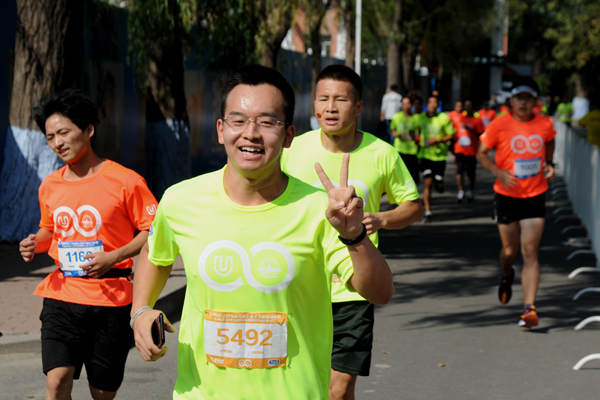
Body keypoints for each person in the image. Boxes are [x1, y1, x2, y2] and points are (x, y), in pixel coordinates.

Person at [130, 64, 395, 400]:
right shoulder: (181, 200)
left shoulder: (320, 210)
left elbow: (380, 292)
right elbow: (155, 254)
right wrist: (140, 310)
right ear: (220, 129)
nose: (251, 133)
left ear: (289, 136)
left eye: (267, 122)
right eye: (238, 120)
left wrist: (355, 236)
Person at [281, 64, 422, 400]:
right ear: (314, 104)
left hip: (352, 289)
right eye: (323, 99)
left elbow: (413, 207)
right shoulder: (291, 150)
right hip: (299, 285)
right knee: (301, 385)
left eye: (340, 100)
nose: (330, 108)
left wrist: (382, 219)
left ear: (358, 106)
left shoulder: (381, 153)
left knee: (339, 389)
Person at [18, 89, 157, 400]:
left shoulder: (126, 181)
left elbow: (152, 231)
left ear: (89, 130)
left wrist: (114, 256)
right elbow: (49, 230)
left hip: (112, 300)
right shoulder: (50, 185)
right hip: (62, 295)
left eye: (64, 132)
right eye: (50, 137)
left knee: (102, 393)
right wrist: (34, 243)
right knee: (57, 383)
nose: (57, 143)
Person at [476, 78, 555, 328]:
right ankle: (507, 273)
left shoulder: (545, 123)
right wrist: (498, 173)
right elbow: (481, 153)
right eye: (519, 98)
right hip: (506, 195)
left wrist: (549, 163)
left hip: (535, 194)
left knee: (530, 251)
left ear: (535, 102)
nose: (523, 102)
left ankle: (529, 309)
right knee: (510, 252)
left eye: (528, 98)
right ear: (511, 100)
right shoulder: (499, 124)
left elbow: (549, 140)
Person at [416, 95, 455, 222]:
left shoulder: (443, 118)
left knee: (438, 186)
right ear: (427, 105)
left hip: (439, 156)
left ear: (438, 105)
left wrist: (439, 140)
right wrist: (417, 139)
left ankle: (440, 183)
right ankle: (428, 212)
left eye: (435, 103)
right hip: (425, 155)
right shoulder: (421, 118)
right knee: (428, 183)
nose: (433, 105)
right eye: (430, 102)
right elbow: (415, 131)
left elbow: (451, 134)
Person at [454, 100, 485, 203]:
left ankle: (471, 190)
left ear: (473, 108)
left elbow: (481, 134)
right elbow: (455, 131)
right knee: (459, 170)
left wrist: (471, 130)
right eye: (466, 106)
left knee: (470, 173)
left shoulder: (477, 120)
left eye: (469, 106)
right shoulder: (460, 118)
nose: (467, 108)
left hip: (472, 151)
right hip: (459, 149)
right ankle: (460, 190)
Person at [391, 96, 421, 183]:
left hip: (412, 150)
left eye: (408, 103)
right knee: (400, 175)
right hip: (399, 149)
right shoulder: (397, 116)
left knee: (412, 177)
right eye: (404, 104)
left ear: (411, 105)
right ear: (401, 105)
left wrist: (417, 139)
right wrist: (396, 134)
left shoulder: (416, 117)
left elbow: (419, 131)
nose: (406, 106)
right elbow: (392, 128)